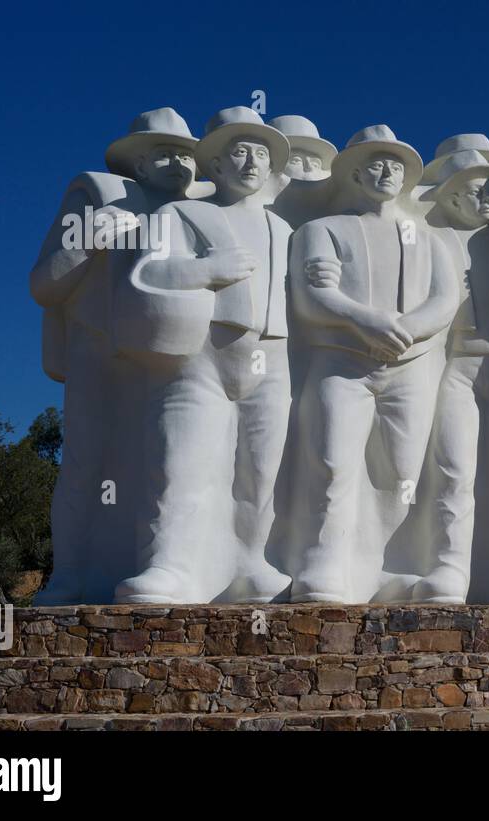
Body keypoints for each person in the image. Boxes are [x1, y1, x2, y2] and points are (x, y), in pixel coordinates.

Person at [113, 107, 294, 604]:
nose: (251, 162)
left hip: (271, 354)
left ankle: (249, 559)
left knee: (261, 468)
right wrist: (210, 269)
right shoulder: (181, 215)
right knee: (181, 459)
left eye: (261, 153)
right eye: (238, 151)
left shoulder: (283, 229)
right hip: (202, 351)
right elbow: (147, 275)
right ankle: (169, 562)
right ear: (212, 165)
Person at [30, 107, 206, 605]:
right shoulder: (99, 196)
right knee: (86, 461)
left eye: (187, 155)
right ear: (140, 165)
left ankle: (168, 565)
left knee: (170, 462)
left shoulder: (206, 210)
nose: (179, 163)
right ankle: (69, 576)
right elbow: (44, 284)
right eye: (164, 153)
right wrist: (86, 240)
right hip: (100, 350)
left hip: (173, 356)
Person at [286, 125, 459, 603]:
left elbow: (446, 298)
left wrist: (406, 331)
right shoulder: (321, 230)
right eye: (376, 164)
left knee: (400, 470)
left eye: (396, 166)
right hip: (342, 362)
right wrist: (367, 322)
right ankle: (324, 563)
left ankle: (383, 565)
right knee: (332, 460)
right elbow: (313, 296)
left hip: (411, 365)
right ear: (356, 174)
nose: (387, 173)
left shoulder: (428, 239)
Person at [415, 150, 489, 602]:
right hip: (457, 365)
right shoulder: (431, 239)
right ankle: (449, 565)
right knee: (453, 469)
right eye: (477, 190)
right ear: (452, 197)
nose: (488, 198)